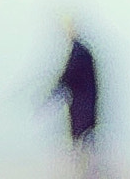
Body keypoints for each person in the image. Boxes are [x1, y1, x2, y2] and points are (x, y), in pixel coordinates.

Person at [45, 22, 100, 171]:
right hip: (84, 106)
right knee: (83, 141)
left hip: (83, 107)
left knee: (83, 142)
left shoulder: (79, 52)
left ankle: (86, 171)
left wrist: (52, 95)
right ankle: (86, 170)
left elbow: (68, 77)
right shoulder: (80, 51)